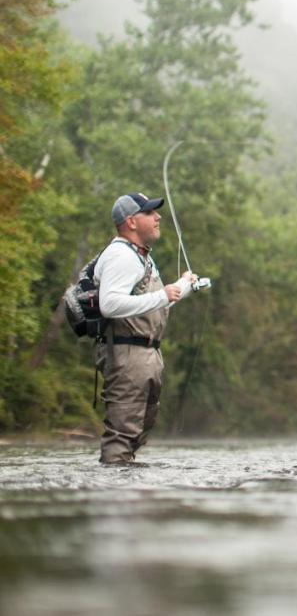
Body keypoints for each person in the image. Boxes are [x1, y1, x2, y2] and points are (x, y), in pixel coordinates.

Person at [94, 192, 197, 464]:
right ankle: (114, 497)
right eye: (150, 213)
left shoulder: (141, 257)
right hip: (127, 354)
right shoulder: (120, 255)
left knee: (139, 429)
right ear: (131, 222)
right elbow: (109, 304)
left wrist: (183, 286)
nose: (158, 216)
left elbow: (152, 304)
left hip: (147, 353)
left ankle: (125, 485)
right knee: (122, 433)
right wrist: (164, 295)